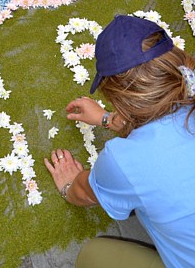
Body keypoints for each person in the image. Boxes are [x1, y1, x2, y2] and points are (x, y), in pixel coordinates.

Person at [44, 14, 195, 268]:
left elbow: (83, 194)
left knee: (94, 255)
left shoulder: (123, 160)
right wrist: (107, 119)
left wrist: (70, 185)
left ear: (122, 101)